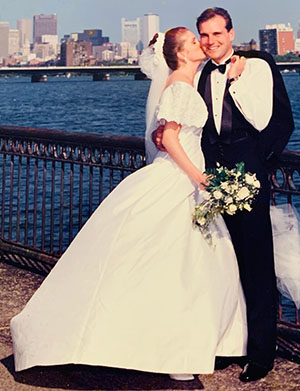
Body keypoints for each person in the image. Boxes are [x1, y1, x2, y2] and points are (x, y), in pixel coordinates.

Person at [10, 27, 247, 382]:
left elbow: (169, 135)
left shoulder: (186, 83)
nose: (202, 45)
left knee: (190, 262)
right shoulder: (180, 87)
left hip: (186, 178)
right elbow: (169, 137)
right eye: (194, 42)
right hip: (180, 180)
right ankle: (172, 349)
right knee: (174, 264)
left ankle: (187, 346)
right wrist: (198, 177)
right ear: (181, 54)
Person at [152, 7, 294, 382]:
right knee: (220, 266)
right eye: (205, 36)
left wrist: (258, 166)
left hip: (249, 180)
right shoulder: (197, 75)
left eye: (218, 34)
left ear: (231, 33)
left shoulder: (259, 63)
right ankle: (227, 345)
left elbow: (281, 121)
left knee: (258, 265)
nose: (212, 41)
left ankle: (262, 355)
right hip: (208, 186)